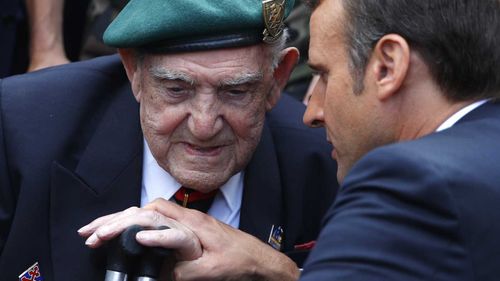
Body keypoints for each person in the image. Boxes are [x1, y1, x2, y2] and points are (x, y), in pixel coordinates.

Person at [82, 0, 500, 280]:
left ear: (387, 67)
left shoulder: (405, 182)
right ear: (134, 73)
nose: (310, 110)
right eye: (176, 89)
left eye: (323, 75)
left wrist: (271, 269)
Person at [0, 0, 339, 280]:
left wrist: (281, 272)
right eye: (177, 90)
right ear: (133, 71)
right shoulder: (22, 132)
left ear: (277, 79)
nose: (204, 125)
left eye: (236, 91)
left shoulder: (326, 161)